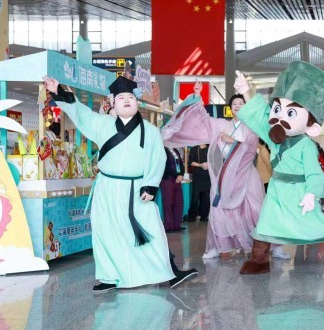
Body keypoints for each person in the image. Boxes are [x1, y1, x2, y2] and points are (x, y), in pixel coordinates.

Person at [42, 75, 196, 292]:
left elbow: (157, 159)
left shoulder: (150, 131)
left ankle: (164, 270)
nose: (126, 101)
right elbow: (81, 114)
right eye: (121, 98)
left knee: (150, 229)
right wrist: (58, 90)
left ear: (136, 102)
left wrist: (151, 185)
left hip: (137, 189)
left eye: (130, 98)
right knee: (105, 231)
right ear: (113, 102)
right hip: (106, 188)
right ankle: (108, 276)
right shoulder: (101, 123)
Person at [233, 63, 324, 276]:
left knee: (320, 226)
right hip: (277, 191)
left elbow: (315, 172)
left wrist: (311, 193)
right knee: (266, 223)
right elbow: (259, 115)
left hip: (299, 192)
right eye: (277, 109)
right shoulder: (274, 135)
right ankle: (259, 261)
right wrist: (245, 91)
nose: (279, 117)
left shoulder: (306, 145)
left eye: (290, 113)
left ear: (311, 126)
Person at [161, 94, 289, 260]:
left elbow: (250, 149)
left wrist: (232, 141)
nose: (237, 106)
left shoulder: (251, 128)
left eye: (241, 103)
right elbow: (205, 121)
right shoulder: (222, 125)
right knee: (218, 211)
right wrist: (198, 99)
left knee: (255, 211)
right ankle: (216, 246)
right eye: (234, 103)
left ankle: (275, 247)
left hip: (246, 175)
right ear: (230, 108)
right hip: (225, 176)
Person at [161, 147, 185, 232]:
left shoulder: (175, 150)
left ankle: (177, 225)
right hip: (168, 179)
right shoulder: (163, 149)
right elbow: (165, 167)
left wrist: (181, 174)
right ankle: (169, 226)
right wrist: (177, 175)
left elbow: (181, 164)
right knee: (168, 203)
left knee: (178, 202)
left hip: (177, 179)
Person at [187, 145, 211, 222]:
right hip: (198, 176)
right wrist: (201, 165)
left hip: (207, 176)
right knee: (195, 197)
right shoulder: (194, 149)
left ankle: (204, 216)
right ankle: (192, 216)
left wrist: (209, 165)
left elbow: (215, 160)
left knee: (206, 197)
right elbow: (191, 162)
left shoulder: (210, 148)